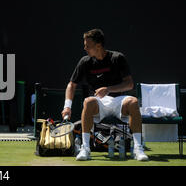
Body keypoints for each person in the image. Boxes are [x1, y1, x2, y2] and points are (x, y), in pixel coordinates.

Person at [62, 29, 149, 161]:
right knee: (88, 101)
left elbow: (129, 84)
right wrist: (67, 106)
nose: (85, 48)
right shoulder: (85, 61)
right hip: (98, 103)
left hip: (118, 101)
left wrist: (108, 89)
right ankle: (85, 149)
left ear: (98, 45)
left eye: (87, 45)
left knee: (133, 101)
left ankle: (138, 149)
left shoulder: (117, 58)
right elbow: (71, 85)